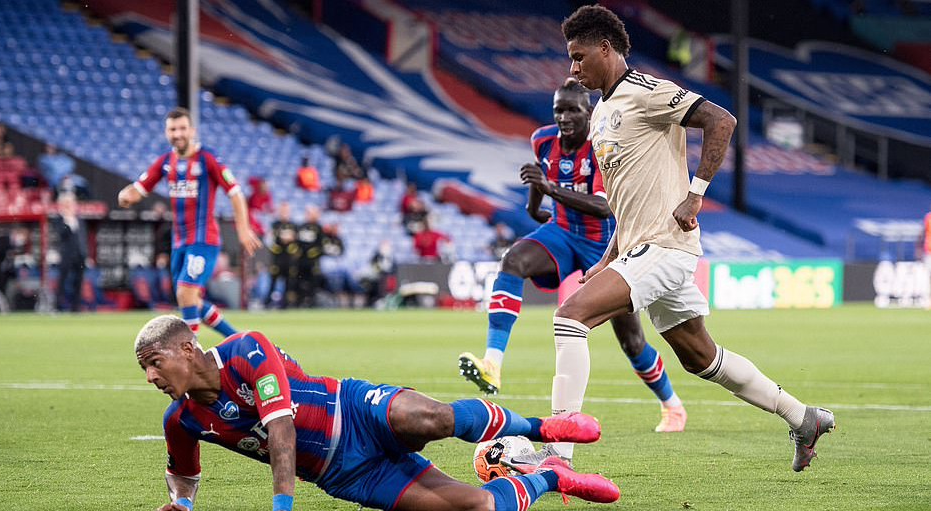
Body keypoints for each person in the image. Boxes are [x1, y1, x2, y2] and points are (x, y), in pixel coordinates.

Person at [553, 5, 833, 472]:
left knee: (570, 318)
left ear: (606, 48)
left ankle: (557, 452)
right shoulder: (602, 112)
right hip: (644, 247)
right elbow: (630, 198)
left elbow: (722, 120)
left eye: (579, 57)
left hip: (664, 247)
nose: (573, 68)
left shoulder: (647, 91)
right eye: (570, 59)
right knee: (701, 357)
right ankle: (803, 417)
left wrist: (696, 193)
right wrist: (608, 257)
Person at [134, 315, 621, 511]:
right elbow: (183, 476)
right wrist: (182, 503)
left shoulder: (246, 350)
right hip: (347, 474)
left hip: (352, 409)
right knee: (478, 508)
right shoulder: (181, 421)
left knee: (433, 419)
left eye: (155, 364)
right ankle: (551, 477)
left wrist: (282, 507)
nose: (152, 378)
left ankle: (543, 427)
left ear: (188, 349)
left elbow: (280, 427)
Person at [458, 79, 687, 453]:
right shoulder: (541, 140)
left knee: (631, 341)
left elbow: (602, 206)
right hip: (562, 233)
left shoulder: (601, 145)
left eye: (573, 111)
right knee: (512, 260)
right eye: (558, 110)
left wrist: (547, 189)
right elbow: (540, 182)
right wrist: (536, 201)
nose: (564, 117)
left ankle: (672, 405)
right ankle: (492, 362)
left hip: (604, 246)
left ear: (589, 112)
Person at [117, 107, 262, 336]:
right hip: (180, 241)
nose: (178, 134)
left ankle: (191, 355)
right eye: (173, 129)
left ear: (192, 130)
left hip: (204, 239)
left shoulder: (208, 158)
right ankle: (238, 339)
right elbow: (139, 187)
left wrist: (243, 229)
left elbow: (235, 192)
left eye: (183, 128)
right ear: (166, 132)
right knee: (189, 299)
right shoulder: (165, 161)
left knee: (185, 293)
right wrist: (125, 196)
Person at [52, 193, 88, 311]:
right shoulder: (59, 219)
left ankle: (76, 307)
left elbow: (82, 237)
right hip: (66, 255)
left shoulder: (79, 218)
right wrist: (67, 220)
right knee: (62, 281)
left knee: (78, 282)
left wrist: (85, 253)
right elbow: (61, 234)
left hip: (79, 255)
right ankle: (57, 306)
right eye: (66, 203)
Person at [267, 202, 300, 309]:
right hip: (277, 258)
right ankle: (267, 302)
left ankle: (285, 304)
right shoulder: (275, 224)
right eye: (282, 210)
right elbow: (270, 239)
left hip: (289, 259)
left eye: (286, 210)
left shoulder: (293, 225)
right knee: (273, 281)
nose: (284, 213)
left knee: (288, 281)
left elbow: (295, 239)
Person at [295, 205, 324, 307]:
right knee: (299, 280)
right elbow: (297, 243)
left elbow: (321, 246)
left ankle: (312, 302)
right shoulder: (301, 227)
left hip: (313, 261)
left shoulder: (319, 228)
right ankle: (299, 301)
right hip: (301, 260)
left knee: (313, 282)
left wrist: (311, 254)